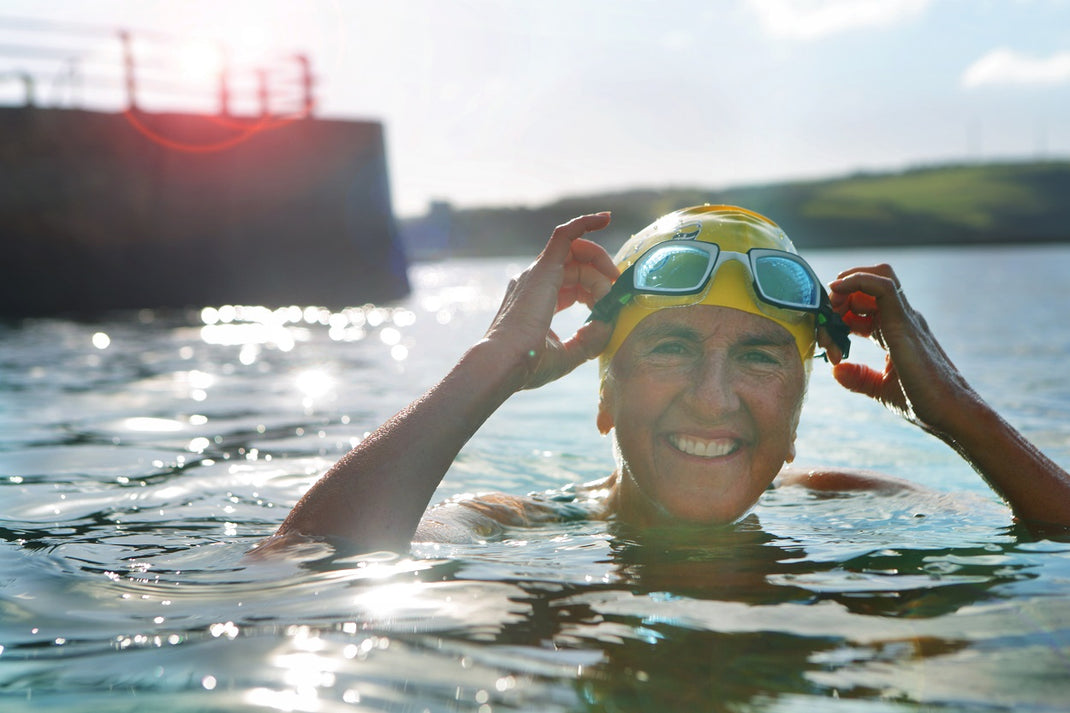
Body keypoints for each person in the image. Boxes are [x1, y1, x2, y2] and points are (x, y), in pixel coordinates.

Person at [254, 205, 1070, 556]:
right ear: (604, 394)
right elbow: (303, 569)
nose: (714, 398)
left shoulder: (852, 503)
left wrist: (958, 414)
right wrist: (492, 363)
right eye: (671, 347)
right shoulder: (512, 529)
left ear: (795, 412)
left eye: (758, 356)